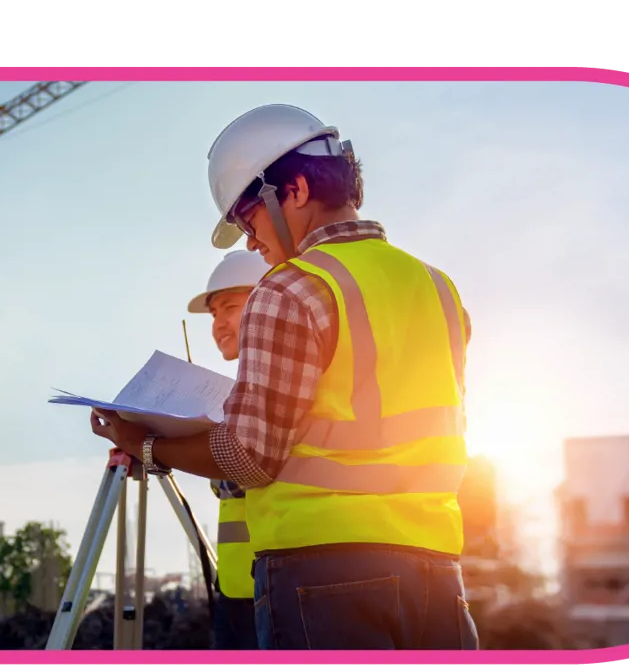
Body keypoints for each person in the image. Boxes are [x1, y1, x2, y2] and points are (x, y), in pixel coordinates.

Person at [90, 104, 478, 650]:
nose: (251, 242)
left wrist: (144, 443)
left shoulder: (290, 288)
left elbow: (249, 456)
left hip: (326, 579)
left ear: (292, 190)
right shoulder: (440, 289)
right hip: (439, 573)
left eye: (248, 220)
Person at [185, 249, 272, 650]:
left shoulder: (271, 389)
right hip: (236, 592)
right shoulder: (235, 396)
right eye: (214, 314)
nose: (218, 324)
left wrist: (155, 445)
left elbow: (241, 475)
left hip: (273, 595)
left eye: (230, 308)